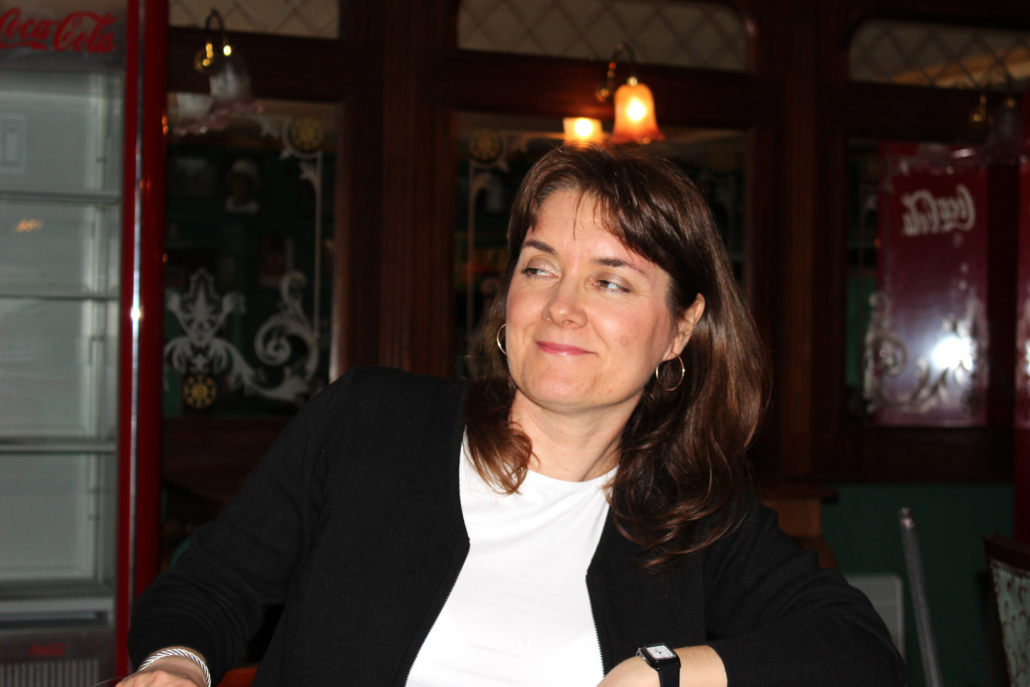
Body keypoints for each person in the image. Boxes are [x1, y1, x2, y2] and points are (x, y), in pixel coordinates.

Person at [121, 144, 904, 687]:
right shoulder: (370, 423)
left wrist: (669, 670)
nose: (562, 306)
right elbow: (209, 585)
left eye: (611, 281)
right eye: (540, 268)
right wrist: (177, 664)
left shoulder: (694, 515)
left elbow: (860, 650)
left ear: (680, 329)